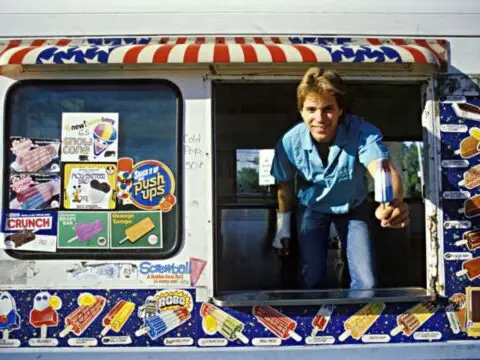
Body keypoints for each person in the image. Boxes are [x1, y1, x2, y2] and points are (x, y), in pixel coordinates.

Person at [270, 67, 409, 290]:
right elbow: (284, 185)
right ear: (301, 111)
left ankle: (358, 321)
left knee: (366, 280)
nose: (319, 118)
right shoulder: (288, 142)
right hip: (312, 208)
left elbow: (382, 168)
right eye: (311, 109)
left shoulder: (362, 132)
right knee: (310, 274)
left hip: (354, 207)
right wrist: (283, 228)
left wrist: (391, 202)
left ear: (340, 110)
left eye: (328, 109)